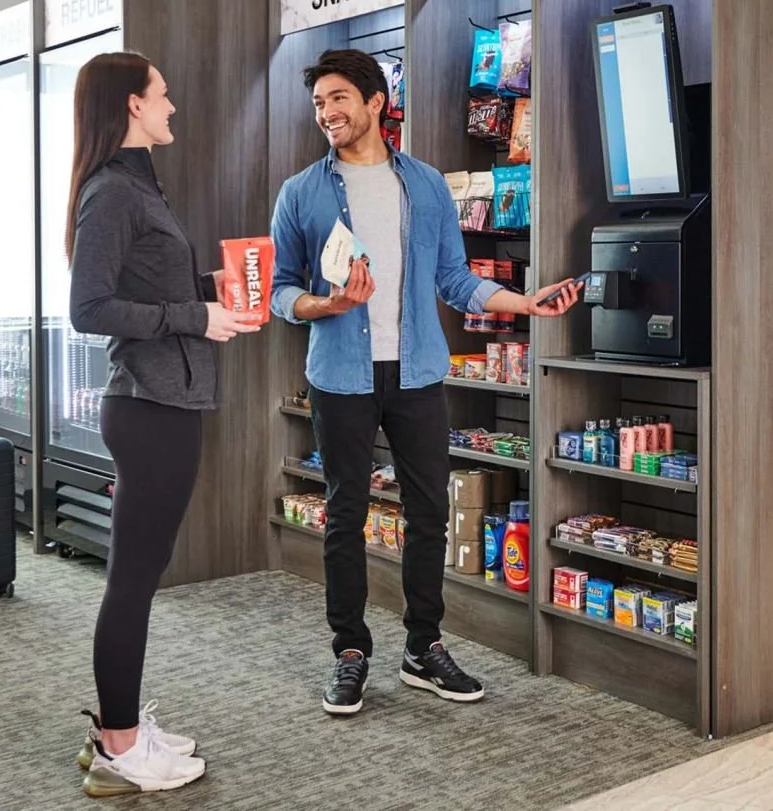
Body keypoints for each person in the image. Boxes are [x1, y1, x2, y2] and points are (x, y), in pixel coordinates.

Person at [270, 49, 581, 717]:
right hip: (340, 374)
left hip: (415, 372)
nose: (327, 112)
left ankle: (423, 646)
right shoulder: (300, 191)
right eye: (319, 102)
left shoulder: (427, 185)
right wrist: (324, 305)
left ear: (375, 101)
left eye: (337, 98)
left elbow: (455, 280)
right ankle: (350, 652)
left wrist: (524, 302)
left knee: (429, 514)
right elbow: (279, 292)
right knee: (346, 516)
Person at [67, 51, 257, 796]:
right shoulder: (112, 191)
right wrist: (194, 314)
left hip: (165, 401)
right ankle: (118, 742)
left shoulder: (139, 185)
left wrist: (216, 290)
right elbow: (89, 308)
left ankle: (121, 726)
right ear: (133, 107)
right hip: (148, 407)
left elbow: (149, 284)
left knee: (136, 575)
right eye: (163, 94)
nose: (172, 104)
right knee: (133, 581)